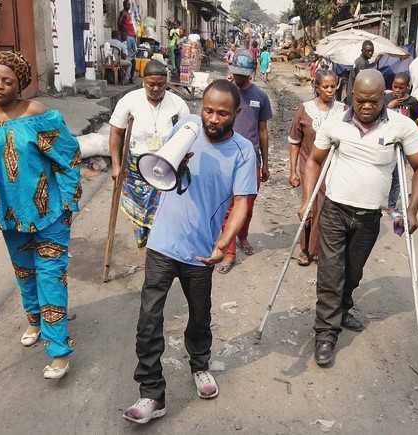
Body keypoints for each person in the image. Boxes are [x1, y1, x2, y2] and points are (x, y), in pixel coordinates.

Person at [122, 80, 258, 424]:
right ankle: (151, 393)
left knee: (200, 314)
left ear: (236, 114)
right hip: (163, 243)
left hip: (201, 252)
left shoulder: (243, 151)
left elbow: (243, 202)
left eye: (222, 113)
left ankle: (200, 364)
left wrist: (223, 244)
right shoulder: (186, 128)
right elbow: (161, 169)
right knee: (149, 318)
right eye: (208, 110)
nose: (212, 118)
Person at [0, 51, 81, 379]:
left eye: (8, 81)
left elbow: (68, 157)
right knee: (25, 274)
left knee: (50, 277)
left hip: (50, 214)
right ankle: (35, 321)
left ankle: (58, 352)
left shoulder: (37, 115)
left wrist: (69, 202)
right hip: (10, 217)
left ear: (21, 84)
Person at [302, 69, 418, 368]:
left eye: (374, 101)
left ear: (384, 97)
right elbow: (315, 161)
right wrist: (309, 200)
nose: (367, 106)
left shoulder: (402, 126)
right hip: (334, 210)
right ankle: (325, 333)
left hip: (370, 215)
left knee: (353, 271)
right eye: (361, 100)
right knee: (331, 274)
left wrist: (411, 209)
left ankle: (343, 307)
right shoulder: (335, 124)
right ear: (352, 96)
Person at [109, 60, 190, 248]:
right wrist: (116, 165)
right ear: (143, 81)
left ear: (167, 82)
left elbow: (186, 135)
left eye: (160, 85)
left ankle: (158, 241)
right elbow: (116, 133)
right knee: (139, 207)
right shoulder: (129, 101)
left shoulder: (178, 104)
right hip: (135, 167)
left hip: (166, 166)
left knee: (163, 209)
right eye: (150, 84)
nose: (155, 88)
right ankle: (143, 234)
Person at [218, 50, 272, 274]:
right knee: (230, 208)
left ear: (251, 73)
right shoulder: (226, 94)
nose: (238, 78)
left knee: (247, 208)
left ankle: (243, 236)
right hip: (226, 157)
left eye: (243, 74)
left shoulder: (260, 97)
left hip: (251, 160)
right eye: (235, 73)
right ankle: (229, 252)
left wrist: (265, 164)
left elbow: (263, 131)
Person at [289, 69, 345, 266]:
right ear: (317, 87)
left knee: (328, 209)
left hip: (333, 167)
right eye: (325, 87)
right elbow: (295, 141)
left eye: (333, 86)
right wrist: (293, 170)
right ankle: (304, 249)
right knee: (309, 206)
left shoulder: (342, 111)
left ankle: (319, 250)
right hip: (309, 165)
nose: (330, 90)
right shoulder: (305, 110)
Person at [385, 72, 418, 212]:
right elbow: (379, 115)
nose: (397, 90)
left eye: (401, 87)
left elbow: (415, 118)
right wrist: (390, 106)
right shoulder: (387, 98)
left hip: (403, 143)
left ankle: (391, 205)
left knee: (397, 175)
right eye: (395, 87)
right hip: (387, 141)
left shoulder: (412, 102)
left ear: (407, 87)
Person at [118, 0, 137, 84]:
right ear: (124, 5)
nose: (129, 5)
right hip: (127, 37)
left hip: (131, 37)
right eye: (127, 4)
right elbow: (119, 23)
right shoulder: (123, 13)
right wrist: (123, 33)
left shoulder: (128, 13)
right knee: (129, 58)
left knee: (133, 59)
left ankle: (130, 77)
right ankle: (128, 78)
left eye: (129, 4)